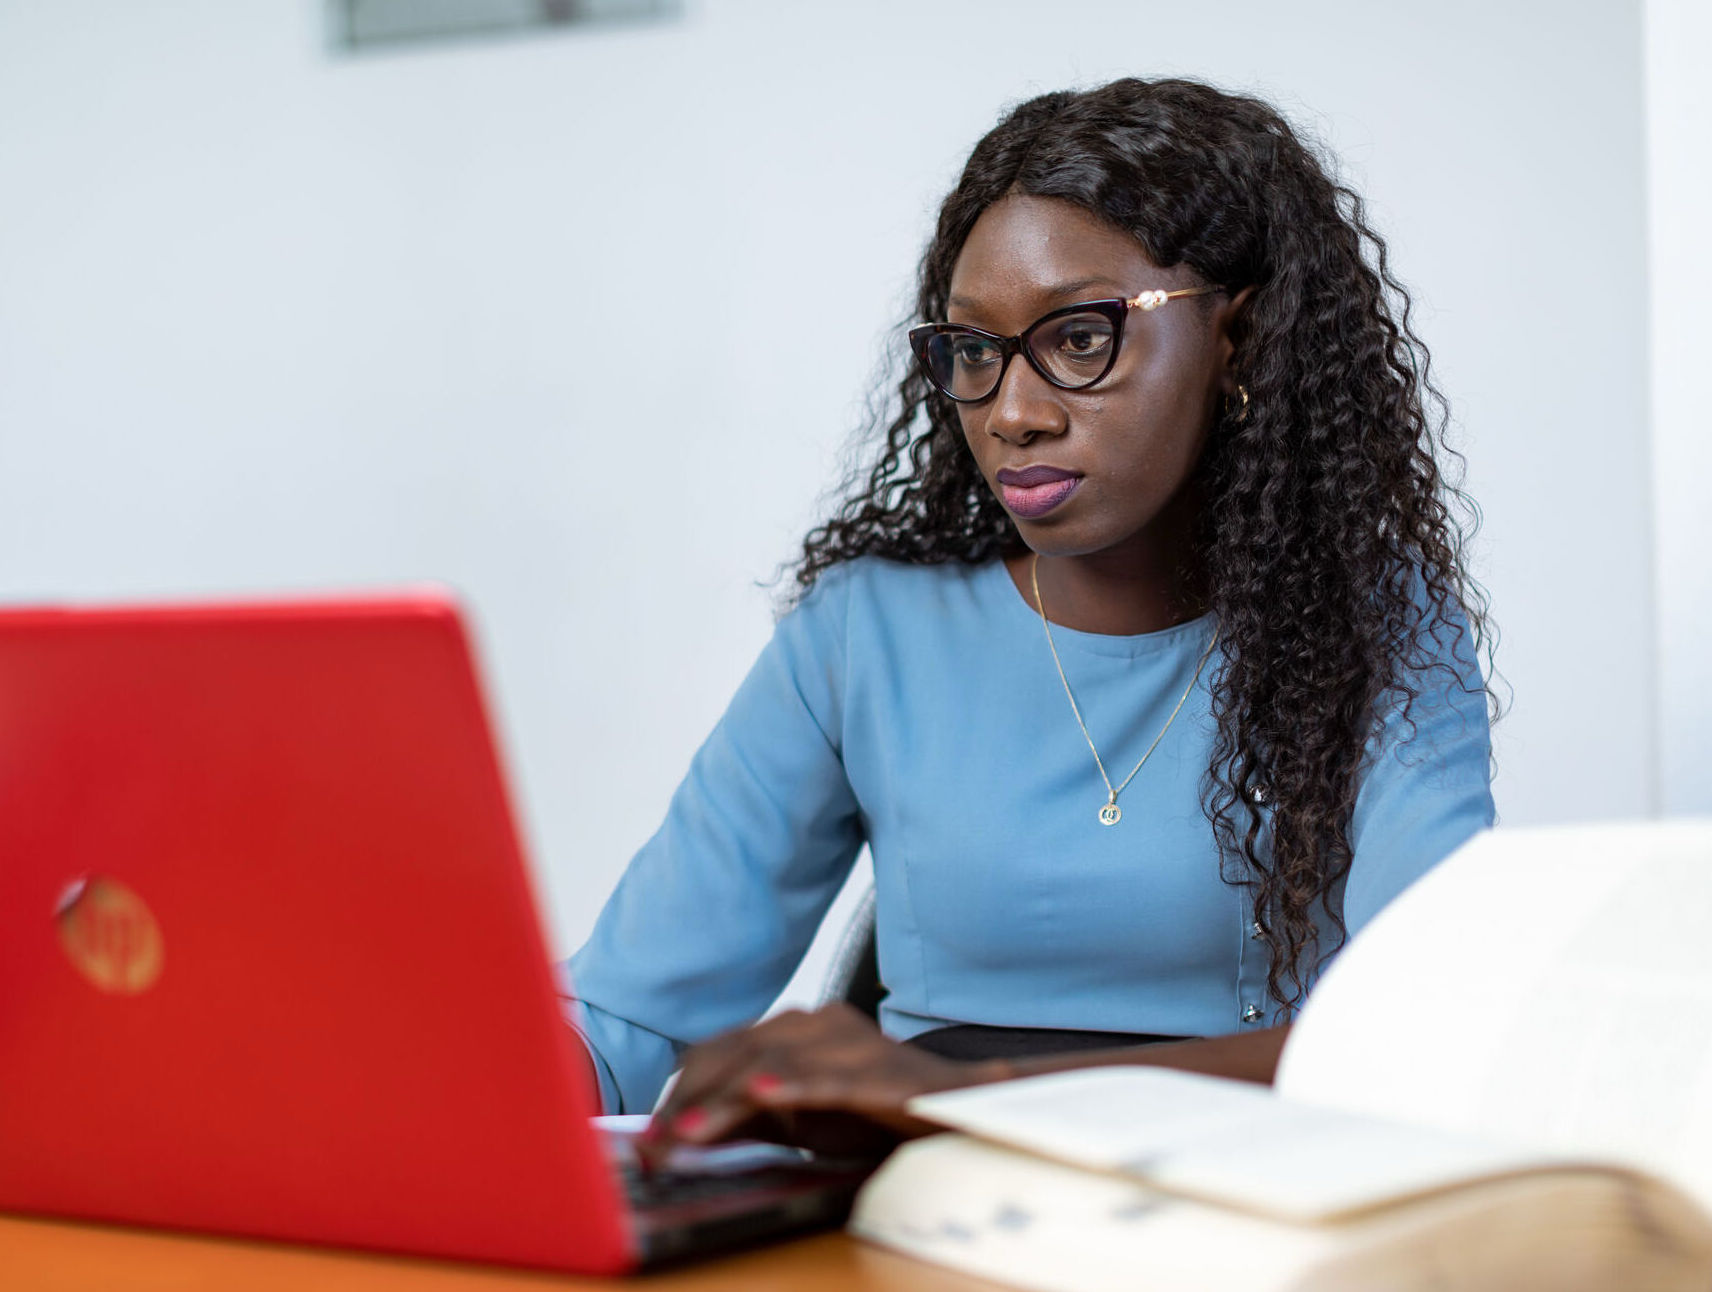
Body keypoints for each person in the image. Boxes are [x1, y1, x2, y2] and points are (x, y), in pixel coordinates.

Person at [563, 76, 1496, 1157]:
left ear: (1235, 341)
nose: (1012, 410)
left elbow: (1432, 1025)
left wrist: (968, 1094)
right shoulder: (867, 631)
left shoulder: (1373, 627)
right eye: (973, 351)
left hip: (1236, 1206)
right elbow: (625, 1009)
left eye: (1080, 338)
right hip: (918, 1220)